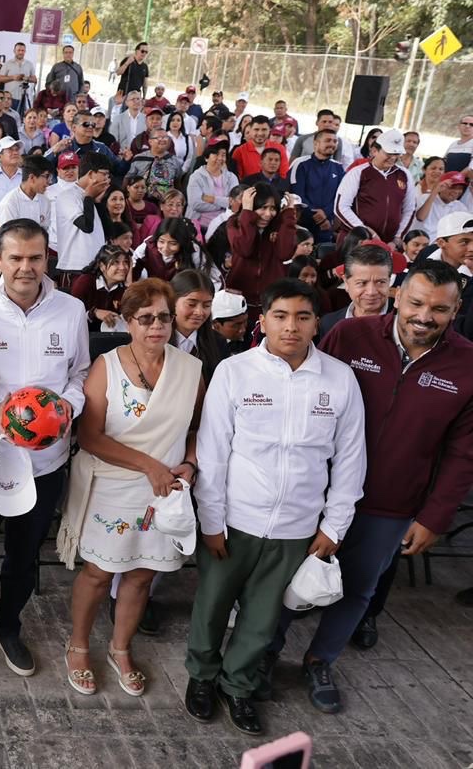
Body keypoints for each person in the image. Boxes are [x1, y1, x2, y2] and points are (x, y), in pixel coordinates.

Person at [265, 262, 473, 712]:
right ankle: (264, 653)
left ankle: (320, 660)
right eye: (416, 303)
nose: (424, 316)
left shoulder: (467, 365)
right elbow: (302, 392)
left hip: (393, 503)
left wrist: (434, 517)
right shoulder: (350, 336)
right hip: (317, 491)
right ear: (398, 296)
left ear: (456, 310)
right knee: (288, 577)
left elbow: (464, 454)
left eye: (439, 309)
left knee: (358, 587)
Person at [185, 278, 366, 736]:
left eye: (303, 317)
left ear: (316, 323)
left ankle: (238, 686)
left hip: (297, 526)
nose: (291, 327)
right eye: (280, 316)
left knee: (263, 618)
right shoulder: (235, 372)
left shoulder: (339, 379)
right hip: (234, 521)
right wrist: (211, 521)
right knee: (211, 606)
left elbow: (350, 460)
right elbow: (213, 452)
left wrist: (334, 526)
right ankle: (202, 677)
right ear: (262, 321)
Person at [0, 218, 88, 687]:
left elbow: (80, 374)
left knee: (23, 558)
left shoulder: (71, 310)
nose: (26, 267)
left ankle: (8, 628)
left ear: (48, 258)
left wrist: (65, 408)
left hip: (46, 462)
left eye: (35, 258)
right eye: (16, 258)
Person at [59, 279, 203, 697]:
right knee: (98, 572)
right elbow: (90, 437)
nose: (156, 326)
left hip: (163, 490)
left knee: (142, 575)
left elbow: (199, 429)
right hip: (114, 485)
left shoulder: (190, 369)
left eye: (164, 318)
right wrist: (149, 466)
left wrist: (190, 465)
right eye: (146, 318)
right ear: (127, 321)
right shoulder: (107, 366)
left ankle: (120, 648)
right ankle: (78, 646)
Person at [226, 185, 299, 320]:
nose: (268, 214)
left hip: (272, 302)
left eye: (272, 208)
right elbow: (245, 249)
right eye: (263, 208)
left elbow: (285, 253)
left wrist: (288, 215)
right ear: (251, 205)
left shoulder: (279, 225)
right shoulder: (234, 223)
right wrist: (247, 215)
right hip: (239, 302)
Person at [334, 129, 416, 244]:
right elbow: (341, 207)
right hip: (357, 241)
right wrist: (366, 232)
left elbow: (410, 209)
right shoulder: (358, 173)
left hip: (389, 243)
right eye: (389, 153)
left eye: (396, 154)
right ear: (374, 151)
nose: (393, 158)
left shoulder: (404, 175)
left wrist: (397, 238)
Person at [52, 153, 113, 287]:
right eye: (104, 174)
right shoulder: (67, 196)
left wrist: (98, 201)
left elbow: (109, 231)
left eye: (108, 175)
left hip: (97, 267)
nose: (107, 179)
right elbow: (86, 226)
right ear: (90, 174)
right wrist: (89, 197)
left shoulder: (93, 197)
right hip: (74, 268)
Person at [317, 244, 393, 336]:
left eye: (380, 282)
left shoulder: (403, 321)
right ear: (346, 283)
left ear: (389, 281)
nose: (371, 292)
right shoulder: (329, 324)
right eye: (362, 283)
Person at [70, 244, 131, 332]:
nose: (123, 267)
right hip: (84, 334)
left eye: (125, 262)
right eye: (116, 262)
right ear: (102, 266)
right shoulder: (85, 282)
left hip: (113, 337)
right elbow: (71, 315)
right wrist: (94, 313)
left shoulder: (124, 289)